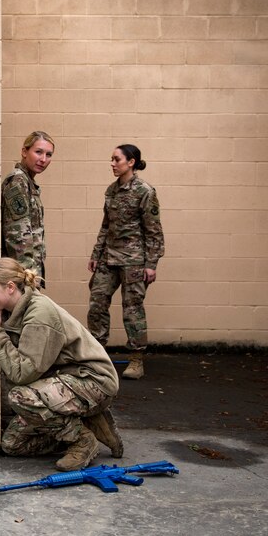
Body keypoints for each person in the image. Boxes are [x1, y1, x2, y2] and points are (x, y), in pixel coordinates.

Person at [0, 257, 123, 471]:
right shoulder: (16, 309)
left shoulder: (39, 315)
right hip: (64, 381)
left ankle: (82, 441)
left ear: (10, 287)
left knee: (20, 396)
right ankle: (87, 422)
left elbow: (22, 375)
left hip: (92, 380)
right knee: (13, 445)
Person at [87, 144, 165, 380]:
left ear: (131, 162)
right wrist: (95, 254)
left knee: (132, 310)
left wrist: (151, 264)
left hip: (134, 261)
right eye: (111, 159)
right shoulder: (111, 191)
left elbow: (154, 231)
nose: (112, 163)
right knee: (97, 302)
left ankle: (136, 359)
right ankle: (97, 356)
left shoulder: (145, 191)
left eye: (116, 159)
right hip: (108, 258)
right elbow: (105, 226)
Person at [1, 131, 54, 285]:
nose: (43, 159)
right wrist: (27, 275)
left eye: (48, 155)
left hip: (29, 271)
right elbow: (18, 235)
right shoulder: (18, 181)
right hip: (22, 274)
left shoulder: (28, 181)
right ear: (24, 152)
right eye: (38, 152)